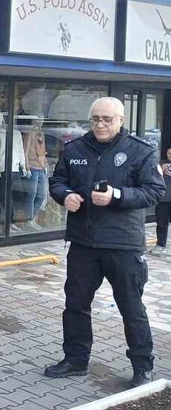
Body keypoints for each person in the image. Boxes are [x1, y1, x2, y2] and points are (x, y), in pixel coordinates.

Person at [45, 97, 164, 389]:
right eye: (95, 118)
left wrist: (117, 196)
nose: (100, 124)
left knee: (131, 308)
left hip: (123, 244)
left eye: (107, 119)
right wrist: (65, 196)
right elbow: (57, 181)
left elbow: (154, 191)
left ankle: (142, 367)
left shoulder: (140, 151)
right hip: (83, 242)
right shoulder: (75, 149)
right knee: (76, 304)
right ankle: (75, 359)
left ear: (121, 120)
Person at [150, 147, 171, 256]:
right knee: (161, 223)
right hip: (163, 198)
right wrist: (160, 171)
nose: (170, 156)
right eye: (169, 153)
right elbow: (151, 177)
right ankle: (160, 245)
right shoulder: (161, 164)